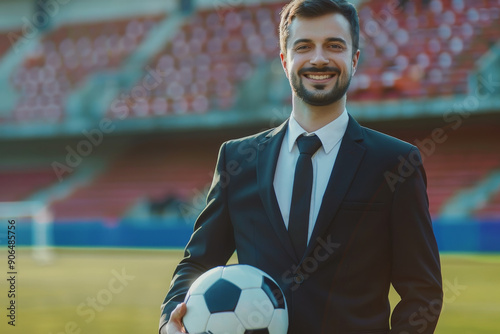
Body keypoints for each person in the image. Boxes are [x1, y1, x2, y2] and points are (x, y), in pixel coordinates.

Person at [159, 1, 443, 333]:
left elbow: (423, 291)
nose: (319, 58)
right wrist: (170, 324)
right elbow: (198, 263)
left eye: (334, 46)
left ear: (354, 58)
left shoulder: (395, 163)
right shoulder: (237, 159)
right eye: (304, 46)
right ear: (285, 60)